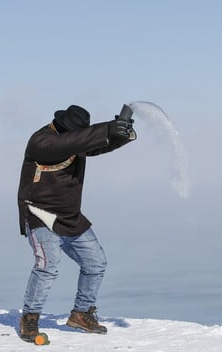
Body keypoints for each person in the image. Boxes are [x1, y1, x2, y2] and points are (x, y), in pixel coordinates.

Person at [16, 104, 136, 341]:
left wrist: (120, 133)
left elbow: (96, 145)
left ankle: (81, 313)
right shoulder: (41, 142)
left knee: (96, 263)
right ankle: (29, 318)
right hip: (40, 214)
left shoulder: (75, 142)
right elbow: (73, 143)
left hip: (69, 216)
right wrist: (109, 127)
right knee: (47, 266)